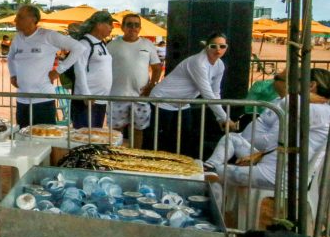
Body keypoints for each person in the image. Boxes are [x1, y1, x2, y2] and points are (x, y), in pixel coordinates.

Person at [205, 68, 330, 190]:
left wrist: (305, 95)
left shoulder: (318, 111)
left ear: (311, 85)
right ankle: (208, 166)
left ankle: (206, 176)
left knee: (210, 174)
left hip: (277, 175)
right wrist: (261, 154)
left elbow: (286, 102)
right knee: (232, 140)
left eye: (299, 81)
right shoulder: (318, 109)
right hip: (272, 164)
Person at [146, 32, 240, 157]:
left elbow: (215, 92)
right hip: (161, 101)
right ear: (207, 46)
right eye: (213, 46)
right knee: (160, 143)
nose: (218, 50)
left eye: (222, 46)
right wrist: (225, 118)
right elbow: (207, 93)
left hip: (182, 104)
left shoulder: (219, 65)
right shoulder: (198, 62)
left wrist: (220, 118)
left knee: (183, 141)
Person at [7, 4, 83, 128]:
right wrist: (13, 74)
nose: (15, 20)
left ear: (33, 19)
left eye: (20, 17)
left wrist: (59, 70)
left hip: (43, 100)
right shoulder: (18, 38)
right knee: (22, 136)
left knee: (45, 137)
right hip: (22, 100)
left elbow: (79, 48)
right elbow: (10, 57)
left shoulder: (48, 35)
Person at [107, 12, 163, 146]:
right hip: (116, 96)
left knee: (138, 131)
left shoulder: (148, 44)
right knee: (115, 133)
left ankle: (134, 156)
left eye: (136, 25)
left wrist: (152, 86)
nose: (133, 28)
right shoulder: (112, 45)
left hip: (141, 97)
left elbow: (157, 68)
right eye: (129, 24)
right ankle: (116, 156)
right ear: (122, 27)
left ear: (140, 28)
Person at [69, 11, 115, 129]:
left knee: (94, 135)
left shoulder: (100, 43)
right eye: (110, 24)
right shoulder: (85, 43)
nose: (112, 27)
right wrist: (86, 94)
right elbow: (79, 68)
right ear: (99, 25)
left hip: (99, 100)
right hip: (87, 101)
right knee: (83, 137)